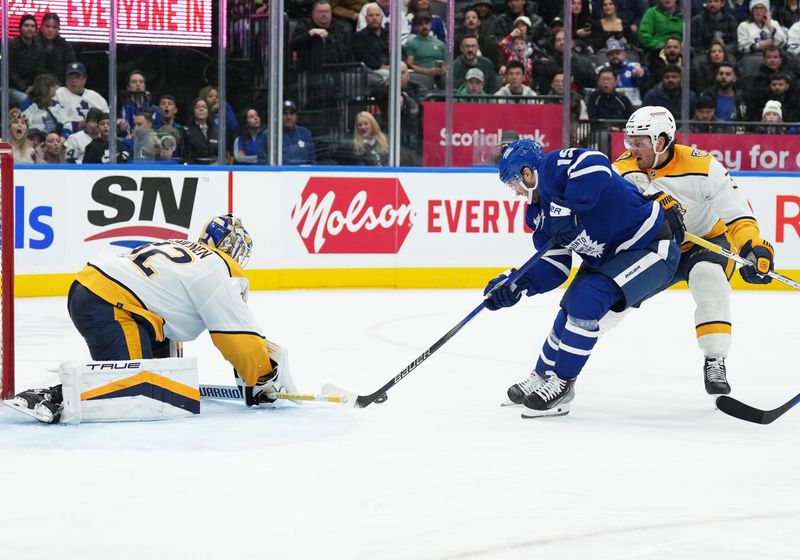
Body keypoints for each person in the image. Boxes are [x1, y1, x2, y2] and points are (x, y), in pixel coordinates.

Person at [11, 215, 296, 423]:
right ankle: (58, 394)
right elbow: (237, 337)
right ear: (233, 249)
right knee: (136, 392)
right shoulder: (218, 266)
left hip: (93, 288)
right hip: (112, 304)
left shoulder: (186, 249)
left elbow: (166, 307)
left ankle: (81, 385)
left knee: (155, 378)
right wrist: (261, 377)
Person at [486, 140, 683, 416]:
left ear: (528, 173)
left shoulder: (554, 168)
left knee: (586, 302)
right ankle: (543, 375)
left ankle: (563, 384)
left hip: (649, 245)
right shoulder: (537, 215)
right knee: (568, 310)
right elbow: (555, 265)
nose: (516, 192)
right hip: (609, 258)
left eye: (513, 183)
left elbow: (596, 162)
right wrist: (517, 283)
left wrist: (571, 206)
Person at [613, 106, 776, 395]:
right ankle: (562, 369)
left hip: (707, 241)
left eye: (639, 142)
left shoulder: (703, 166)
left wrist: (753, 248)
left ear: (661, 141)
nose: (631, 149)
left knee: (708, 276)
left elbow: (738, 216)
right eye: (630, 141)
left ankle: (715, 359)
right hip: (658, 247)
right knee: (614, 297)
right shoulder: (622, 168)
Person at [55, 62, 111, 137]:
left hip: (97, 137)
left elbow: (108, 119)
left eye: (77, 77)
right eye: (70, 77)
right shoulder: (59, 93)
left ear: (84, 79)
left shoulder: (96, 97)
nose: (73, 80)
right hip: (71, 136)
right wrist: (78, 124)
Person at [9, 14, 45, 107]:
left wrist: (35, 88)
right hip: (11, 88)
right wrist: (25, 88)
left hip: (31, 88)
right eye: (26, 25)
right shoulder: (12, 45)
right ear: (20, 28)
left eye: (32, 26)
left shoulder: (39, 48)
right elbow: (10, 72)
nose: (29, 28)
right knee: (27, 101)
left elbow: (39, 72)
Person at [182, 97, 220, 164]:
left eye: (204, 107)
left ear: (208, 111)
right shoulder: (187, 131)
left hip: (214, 170)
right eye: (197, 107)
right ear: (193, 111)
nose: (201, 109)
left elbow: (222, 155)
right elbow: (186, 156)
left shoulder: (216, 132)